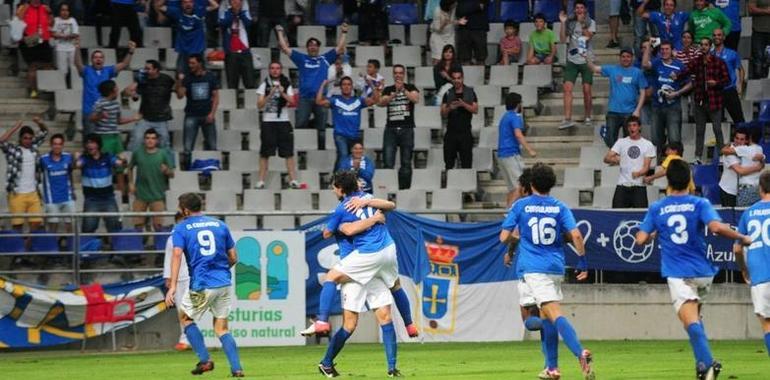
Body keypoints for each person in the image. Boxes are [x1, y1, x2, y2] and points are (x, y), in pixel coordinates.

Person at [635, 158, 751, 380]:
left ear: (667, 181)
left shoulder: (657, 208)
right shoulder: (700, 203)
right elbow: (716, 227)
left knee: (690, 322)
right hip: (704, 273)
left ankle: (708, 364)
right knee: (696, 320)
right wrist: (741, 236)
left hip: (680, 274)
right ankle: (701, 366)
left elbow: (640, 239)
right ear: (689, 180)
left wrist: (652, 233)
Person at [499, 162, 594, 380]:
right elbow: (577, 236)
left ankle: (580, 351)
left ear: (531, 183)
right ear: (552, 184)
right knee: (547, 317)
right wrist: (583, 260)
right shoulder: (560, 207)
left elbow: (503, 237)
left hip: (533, 269)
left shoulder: (521, 206)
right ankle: (552, 368)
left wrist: (518, 240)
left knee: (552, 314)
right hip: (555, 267)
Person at [302, 171, 418, 345]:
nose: (333, 191)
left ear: (341, 189)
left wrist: (339, 226)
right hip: (388, 249)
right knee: (395, 288)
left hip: (363, 259)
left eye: (334, 188)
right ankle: (409, 326)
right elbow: (391, 205)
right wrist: (373, 215)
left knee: (333, 283)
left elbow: (329, 233)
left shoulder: (342, 209)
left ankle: (322, 321)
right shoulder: (369, 198)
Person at [165, 192, 244, 377]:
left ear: (184, 210)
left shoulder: (181, 228)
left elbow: (177, 254)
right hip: (223, 282)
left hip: (202, 283)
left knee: (185, 318)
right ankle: (237, 368)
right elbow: (233, 257)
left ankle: (205, 360)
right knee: (222, 328)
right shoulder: (220, 225)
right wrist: (223, 271)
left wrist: (173, 286)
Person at [276, 23, 348, 150]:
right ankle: (298, 150)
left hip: (321, 99)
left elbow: (340, 47)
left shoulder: (325, 58)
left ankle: (320, 151)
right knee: (300, 126)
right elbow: (285, 48)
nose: (313, 47)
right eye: (310, 45)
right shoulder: (301, 58)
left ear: (319, 47)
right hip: (304, 99)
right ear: (307, 48)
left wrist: (343, 32)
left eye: (315, 45)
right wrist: (280, 32)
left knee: (321, 128)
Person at [734, 169, 770, 358]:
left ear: (760, 188)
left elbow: (737, 249)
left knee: (767, 324)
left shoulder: (749, 213)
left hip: (760, 275)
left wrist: (743, 269)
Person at [678, 38, 730, 162]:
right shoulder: (696, 61)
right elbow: (686, 70)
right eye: (701, 45)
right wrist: (676, 75)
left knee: (717, 129)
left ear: (710, 46)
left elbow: (727, 79)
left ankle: (722, 155)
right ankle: (698, 156)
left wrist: (716, 83)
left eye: (706, 45)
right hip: (700, 100)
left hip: (714, 100)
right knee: (699, 130)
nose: (703, 47)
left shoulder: (719, 62)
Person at [74, 39, 136, 139]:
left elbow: (124, 64)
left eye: (101, 57)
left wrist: (131, 51)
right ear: (91, 60)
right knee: (90, 140)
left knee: (104, 141)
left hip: (106, 112)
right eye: (95, 57)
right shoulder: (86, 70)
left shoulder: (108, 70)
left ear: (104, 60)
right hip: (89, 111)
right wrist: (77, 48)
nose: (98, 59)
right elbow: (77, 63)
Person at [316, 77, 380, 172]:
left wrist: (371, 84)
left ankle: (336, 179)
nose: (346, 87)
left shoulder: (359, 101)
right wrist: (322, 85)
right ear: (340, 87)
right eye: (344, 84)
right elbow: (318, 101)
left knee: (345, 158)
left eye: (349, 84)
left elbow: (376, 99)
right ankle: (340, 181)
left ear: (352, 87)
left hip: (354, 135)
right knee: (344, 155)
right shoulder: (335, 100)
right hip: (340, 135)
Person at [587, 48, 647, 147]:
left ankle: (624, 160)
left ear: (632, 58)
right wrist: (587, 59)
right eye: (623, 57)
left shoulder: (637, 72)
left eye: (628, 57)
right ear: (619, 58)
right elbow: (594, 69)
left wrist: (637, 110)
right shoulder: (612, 69)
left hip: (629, 112)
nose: (625, 59)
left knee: (629, 141)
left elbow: (643, 92)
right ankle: (615, 157)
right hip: (613, 111)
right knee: (610, 138)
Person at [255, 61, 300, 189]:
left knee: (288, 152)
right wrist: (270, 93)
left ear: (281, 70)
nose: (275, 70)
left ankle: (293, 180)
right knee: (265, 152)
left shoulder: (286, 84)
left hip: (283, 121)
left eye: (277, 68)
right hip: (268, 121)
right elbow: (259, 105)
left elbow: (292, 101)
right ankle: (261, 180)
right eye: (272, 68)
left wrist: (282, 92)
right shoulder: (264, 85)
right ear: (269, 70)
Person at [641, 41, 690, 154]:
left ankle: (675, 164)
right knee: (655, 138)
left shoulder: (679, 65)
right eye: (662, 49)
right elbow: (644, 64)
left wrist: (677, 93)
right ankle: (659, 164)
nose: (664, 51)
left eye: (667, 49)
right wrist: (648, 46)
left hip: (673, 106)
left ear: (672, 51)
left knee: (674, 139)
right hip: (656, 106)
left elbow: (690, 83)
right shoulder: (657, 63)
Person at [0, 117, 48, 231]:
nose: (28, 140)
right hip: (17, 193)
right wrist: (15, 127)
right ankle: (20, 247)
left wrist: (40, 123)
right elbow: (1, 141)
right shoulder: (13, 150)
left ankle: (26, 246)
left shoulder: (34, 147)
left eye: (30, 138)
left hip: (33, 193)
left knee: (36, 224)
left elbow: (44, 132)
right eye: (25, 138)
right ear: (20, 139)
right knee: (17, 226)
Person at [175, 54, 220, 170]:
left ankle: (212, 170)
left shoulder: (210, 77)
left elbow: (216, 97)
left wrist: (212, 114)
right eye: (189, 63)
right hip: (191, 115)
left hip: (207, 115)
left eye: (193, 63)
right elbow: (180, 96)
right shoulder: (188, 78)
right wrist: (179, 82)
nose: (190, 66)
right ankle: (187, 172)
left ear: (200, 63)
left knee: (213, 146)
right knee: (187, 147)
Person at [379, 65, 420, 190]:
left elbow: (415, 99)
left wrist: (403, 90)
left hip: (406, 128)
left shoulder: (411, 87)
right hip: (391, 129)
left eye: (400, 73)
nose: (398, 75)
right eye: (396, 73)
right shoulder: (388, 89)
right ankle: (388, 190)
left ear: (404, 74)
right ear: (393, 74)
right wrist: (394, 94)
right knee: (388, 162)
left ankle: (404, 191)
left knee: (406, 163)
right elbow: (381, 102)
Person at [558, 1, 596, 130]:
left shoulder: (591, 22)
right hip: (572, 60)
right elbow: (563, 39)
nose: (579, 10)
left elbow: (588, 37)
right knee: (567, 88)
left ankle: (588, 116)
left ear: (585, 9)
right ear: (574, 10)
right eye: (577, 8)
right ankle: (567, 118)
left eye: (581, 8)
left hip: (586, 60)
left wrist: (582, 23)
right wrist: (563, 22)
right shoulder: (570, 22)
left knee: (586, 90)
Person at [76, 134, 125, 233]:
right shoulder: (84, 158)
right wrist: (76, 158)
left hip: (108, 198)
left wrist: (123, 159)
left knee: (115, 226)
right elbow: (77, 165)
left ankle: (115, 246)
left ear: (98, 144)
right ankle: (88, 247)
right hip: (91, 199)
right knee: (88, 228)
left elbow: (121, 163)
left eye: (92, 143)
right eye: (88, 143)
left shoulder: (107, 157)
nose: (90, 145)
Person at [604, 116, 656, 208]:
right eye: (630, 126)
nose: (632, 128)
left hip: (639, 185)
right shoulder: (621, 142)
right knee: (616, 214)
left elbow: (646, 167)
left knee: (640, 216)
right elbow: (607, 158)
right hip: (622, 184)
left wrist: (639, 173)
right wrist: (618, 159)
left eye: (634, 125)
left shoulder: (647, 144)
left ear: (639, 127)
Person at [129, 128, 175, 231]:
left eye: (153, 138)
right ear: (144, 140)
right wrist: (131, 183)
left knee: (158, 226)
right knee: (138, 226)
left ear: (157, 140)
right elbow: (130, 168)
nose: (150, 140)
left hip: (158, 195)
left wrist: (167, 170)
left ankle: (158, 246)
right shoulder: (137, 153)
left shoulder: (163, 154)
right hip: (140, 194)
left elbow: (172, 174)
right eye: (148, 138)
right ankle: (139, 245)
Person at [124, 60, 175, 151]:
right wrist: (134, 93)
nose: (145, 70)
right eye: (145, 68)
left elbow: (178, 90)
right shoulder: (142, 79)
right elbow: (126, 91)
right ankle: (131, 162)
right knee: (136, 139)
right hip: (145, 117)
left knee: (165, 141)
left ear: (156, 70)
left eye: (148, 69)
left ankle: (167, 164)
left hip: (161, 118)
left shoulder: (167, 79)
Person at [157, 0, 219, 74]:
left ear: (193, 3)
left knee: (200, 75)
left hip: (198, 51)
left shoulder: (199, 11)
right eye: (185, 2)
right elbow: (159, 6)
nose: (188, 4)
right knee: (180, 76)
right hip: (183, 51)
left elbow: (215, 6)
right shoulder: (176, 12)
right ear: (181, 4)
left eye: (190, 2)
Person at [497, 92, 536, 207]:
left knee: (512, 188)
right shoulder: (514, 117)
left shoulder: (505, 117)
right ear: (518, 104)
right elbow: (518, 134)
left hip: (502, 155)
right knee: (521, 185)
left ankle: (506, 213)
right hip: (511, 154)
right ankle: (510, 214)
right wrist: (530, 150)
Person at [440, 68, 478, 170]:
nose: (457, 80)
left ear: (462, 78)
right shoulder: (447, 93)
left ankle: (467, 184)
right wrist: (450, 108)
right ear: (452, 79)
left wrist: (463, 104)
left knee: (466, 163)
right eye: (454, 78)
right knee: (449, 164)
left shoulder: (470, 92)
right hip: (451, 133)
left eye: (459, 78)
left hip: (465, 133)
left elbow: (475, 109)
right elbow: (443, 113)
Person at [163, 211, 190, 351]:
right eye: (181, 221)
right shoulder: (172, 239)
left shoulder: (194, 235)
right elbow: (169, 258)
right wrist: (168, 277)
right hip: (179, 279)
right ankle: (185, 339)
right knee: (182, 309)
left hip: (195, 276)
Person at [39, 133, 76, 233]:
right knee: (53, 227)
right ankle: (53, 247)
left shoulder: (68, 157)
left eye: (59, 144)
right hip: (51, 199)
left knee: (70, 226)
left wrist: (73, 191)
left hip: (67, 197)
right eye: (55, 144)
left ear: (63, 145)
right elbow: (37, 175)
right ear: (51, 145)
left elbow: (71, 173)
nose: (57, 146)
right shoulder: (43, 159)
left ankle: (71, 247)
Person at [16, 0, 53, 98]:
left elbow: (52, 23)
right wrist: (25, 8)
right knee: (33, 66)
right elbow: (18, 19)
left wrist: (50, 13)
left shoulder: (45, 8)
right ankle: (33, 90)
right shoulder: (24, 7)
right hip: (29, 40)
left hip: (43, 40)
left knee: (48, 64)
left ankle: (44, 89)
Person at [721, 128, 765, 207]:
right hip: (729, 191)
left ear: (747, 140)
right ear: (733, 138)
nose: (738, 141)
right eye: (736, 138)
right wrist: (758, 167)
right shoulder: (730, 153)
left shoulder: (745, 150)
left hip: (740, 192)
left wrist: (762, 160)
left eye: (742, 139)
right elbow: (741, 171)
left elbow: (758, 155)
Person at [711, 28, 745, 126]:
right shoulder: (710, 55)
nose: (716, 37)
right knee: (716, 122)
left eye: (719, 35)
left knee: (738, 118)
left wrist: (740, 84)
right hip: (715, 91)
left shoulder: (732, 53)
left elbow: (741, 69)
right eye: (714, 35)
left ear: (724, 37)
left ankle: (743, 139)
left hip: (729, 89)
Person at [219, 0, 256, 90]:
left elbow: (249, 23)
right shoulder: (225, 12)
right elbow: (223, 23)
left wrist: (240, 13)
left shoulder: (245, 12)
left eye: (239, 1)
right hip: (231, 52)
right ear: (230, 3)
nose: (237, 3)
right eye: (234, 1)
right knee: (232, 84)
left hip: (245, 52)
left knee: (250, 82)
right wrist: (233, 13)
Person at [455, 0, 489, 65]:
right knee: (464, 59)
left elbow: (481, 6)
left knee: (481, 58)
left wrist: (465, 7)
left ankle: (480, 75)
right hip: (464, 29)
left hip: (479, 28)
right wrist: (476, 6)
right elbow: (459, 11)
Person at [51, 3, 79, 80]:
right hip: (60, 48)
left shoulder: (73, 20)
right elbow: (53, 33)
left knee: (74, 68)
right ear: (59, 11)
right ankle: (62, 86)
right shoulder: (56, 20)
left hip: (72, 48)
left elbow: (76, 34)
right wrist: (64, 36)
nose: (64, 12)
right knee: (62, 70)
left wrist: (64, 36)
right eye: (62, 10)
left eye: (66, 10)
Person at [429, 0, 461, 65]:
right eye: (454, 3)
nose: (456, 3)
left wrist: (458, 21)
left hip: (450, 35)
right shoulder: (437, 11)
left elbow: (452, 20)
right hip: (438, 37)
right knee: (438, 58)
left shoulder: (454, 8)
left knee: (450, 57)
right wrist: (444, 23)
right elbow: (437, 29)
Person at [749, 0, 770, 79]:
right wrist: (766, 11)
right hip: (759, 31)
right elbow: (751, 9)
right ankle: (757, 86)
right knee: (758, 59)